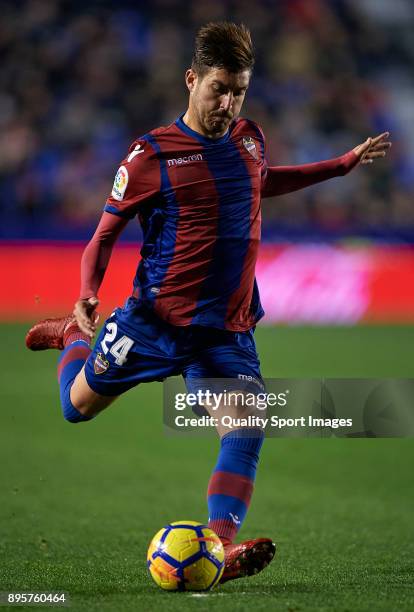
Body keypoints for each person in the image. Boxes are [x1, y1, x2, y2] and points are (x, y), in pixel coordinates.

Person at [26, 21, 391, 584]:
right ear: (191, 79)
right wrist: (85, 297)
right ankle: (72, 340)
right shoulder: (150, 155)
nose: (228, 102)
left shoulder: (249, 137)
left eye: (239, 90)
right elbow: (103, 234)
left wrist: (338, 166)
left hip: (224, 328)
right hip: (155, 323)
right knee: (75, 409)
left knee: (247, 428)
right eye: (219, 88)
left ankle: (220, 547)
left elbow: (260, 180)